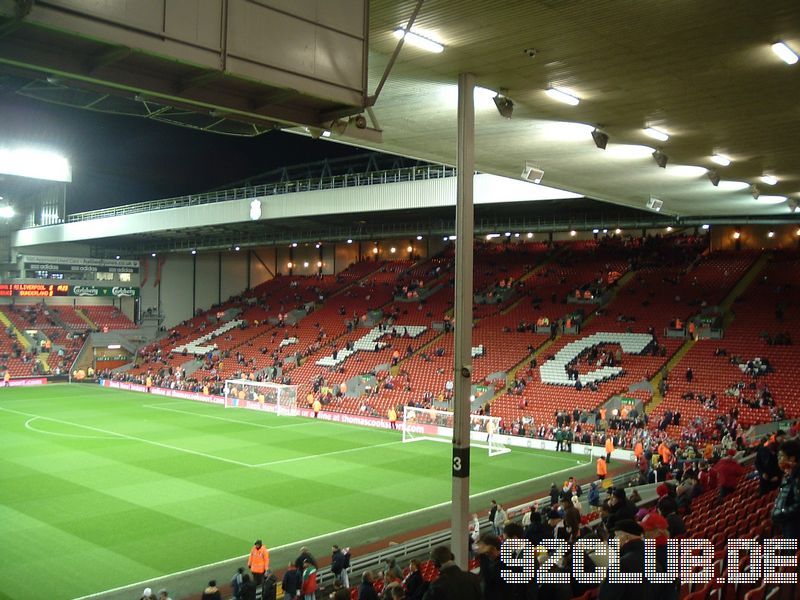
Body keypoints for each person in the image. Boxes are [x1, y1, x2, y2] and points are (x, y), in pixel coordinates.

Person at [772, 439, 800, 539]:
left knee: (792, 553)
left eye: (781, 456)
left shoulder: (797, 478)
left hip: (794, 528)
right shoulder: (788, 476)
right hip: (787, 526)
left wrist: (781, 513)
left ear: (791, 459)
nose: (779, 460)